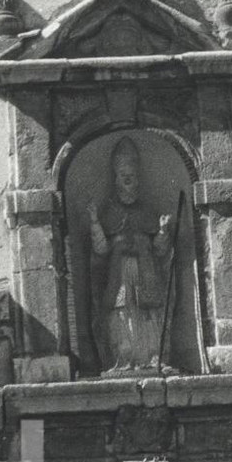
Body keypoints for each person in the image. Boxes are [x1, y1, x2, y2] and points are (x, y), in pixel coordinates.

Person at [88, 136, 175, 375]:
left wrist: (163, 231)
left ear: (138, 179)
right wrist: (96, 223)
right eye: (123, 175)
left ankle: (152, 358)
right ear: (116, 179)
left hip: (146, 273)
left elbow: (160, 250)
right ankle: (123, 360)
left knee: (149, 314)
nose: (128, 180)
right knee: (120, 314)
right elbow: (101, 250)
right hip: (119, 276)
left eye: (132, 176)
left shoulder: (148, 211)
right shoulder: (109, 211)